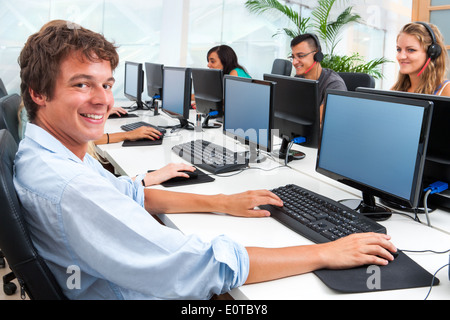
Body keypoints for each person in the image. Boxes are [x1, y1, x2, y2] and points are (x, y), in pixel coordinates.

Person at [14, 20, 396, 300]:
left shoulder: (55, 157)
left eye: (107, 84)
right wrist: (324, 252)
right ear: (39, 93)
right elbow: (199, 266)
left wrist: (221, 202)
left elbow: (128, 193)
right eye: (82, 84)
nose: (102, 99)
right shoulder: (70, 185)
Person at [289, 33, 347, 122]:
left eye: (300, 56)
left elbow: (318, 123)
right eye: (293, 57)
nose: (294, 62)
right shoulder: (298, 78)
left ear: (317, 56)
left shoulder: (335, 85)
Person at [392, 22, 449, 96]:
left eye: (411, 50)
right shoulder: (395, 90)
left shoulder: (446, 90)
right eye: (399, 49)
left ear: (432, 53)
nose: (401, 56)